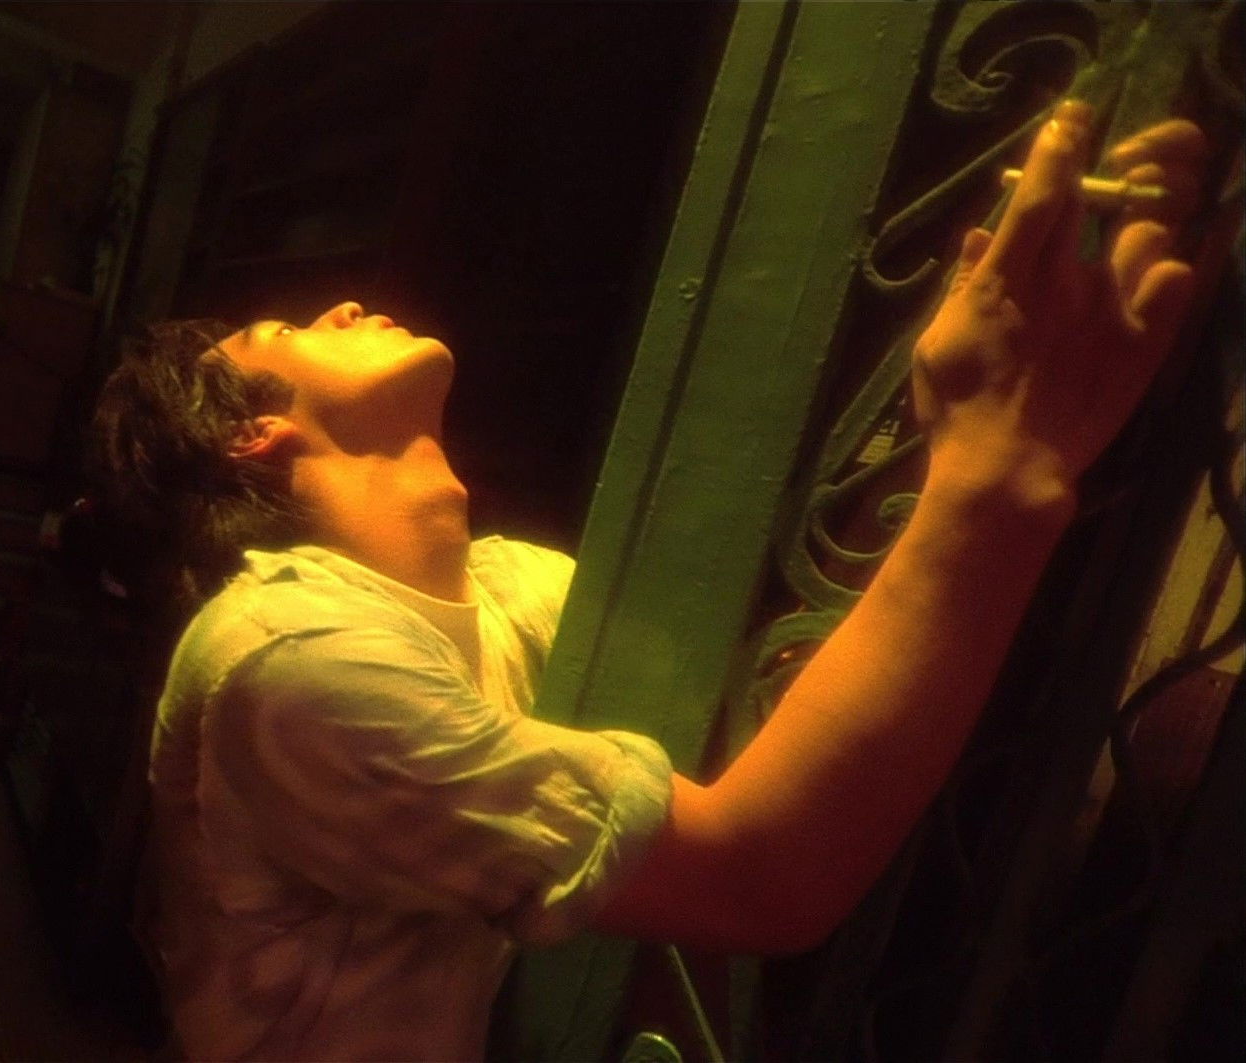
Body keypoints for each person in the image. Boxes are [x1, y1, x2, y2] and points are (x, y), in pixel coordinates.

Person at [83, 101, 1210, 1061]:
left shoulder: (506, 587)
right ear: (253, 435)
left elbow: (785, 705)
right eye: (281, 331)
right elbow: (756, 878)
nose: (335, 305)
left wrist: (974, 386)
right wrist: (994, 471)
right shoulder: (287, 657)